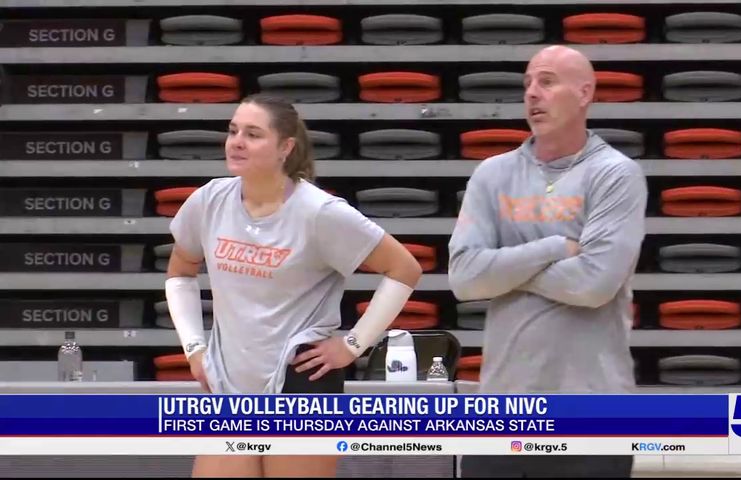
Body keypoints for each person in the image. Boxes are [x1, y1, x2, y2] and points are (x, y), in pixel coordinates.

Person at [164, 92, 423, 477]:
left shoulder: (319, 212)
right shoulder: (209, 200)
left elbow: (405, 269)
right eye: (233, 131)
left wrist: (352, 346)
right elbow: (180, 271)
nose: (236, 141)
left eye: (253, 134)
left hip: (301, 382)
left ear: (285, 147)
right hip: (231, 386)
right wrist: (194, 348)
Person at [448, 45, 647, 477]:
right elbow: (464, 278)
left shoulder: (616, 174)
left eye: (547, 81)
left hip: (592, 410)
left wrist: (502, 271)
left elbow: (593, 284)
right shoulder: (492, 174)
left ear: (584, 93)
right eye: (527, 84)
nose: (532, 93)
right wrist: (554, 248)